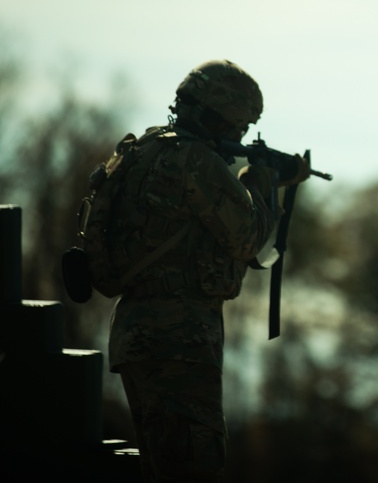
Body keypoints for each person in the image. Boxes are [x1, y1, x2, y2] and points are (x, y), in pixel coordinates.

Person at [107, 59, 306, 482]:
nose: (241, 136)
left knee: (161, 465)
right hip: (180, 336)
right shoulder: (194, 159)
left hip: (136, 330)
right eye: (240, 126)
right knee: (192, 465)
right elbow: (248, 237)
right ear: (221, 115)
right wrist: (262, 178)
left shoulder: (143, 150)